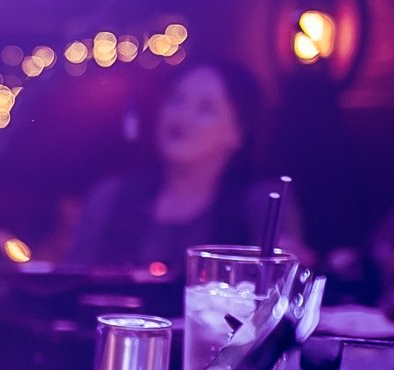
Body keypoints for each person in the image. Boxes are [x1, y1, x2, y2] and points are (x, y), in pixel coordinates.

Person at [67, 56, 309, 272]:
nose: (182, 116)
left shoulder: (261, 202)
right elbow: (75, 279)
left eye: (205, 109)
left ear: (240, 131)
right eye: (176, 100)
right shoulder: (112, 195)